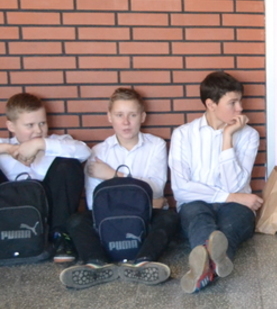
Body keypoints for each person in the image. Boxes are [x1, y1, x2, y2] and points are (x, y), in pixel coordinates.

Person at [59, 88, 178, 289]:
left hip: (144, 218)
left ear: (142, 117)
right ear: (110, 117)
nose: (126, 122)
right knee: (76, 220)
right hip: (111, 221)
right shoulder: (98, 152)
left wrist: (112, 175)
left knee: (170, 218)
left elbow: (156, 188)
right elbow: (95, 203)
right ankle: (96, 263)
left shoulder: (156, 145)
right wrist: (146, 199)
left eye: (132, 115)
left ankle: (143, 262)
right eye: (119, 115)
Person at [169, 71, 262, 294]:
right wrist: (231, 197)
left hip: (237, 207)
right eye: (233, 102)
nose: (240, 108)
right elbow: (181, 189)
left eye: (240, 101)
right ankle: (215, 263)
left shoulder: (249, 135)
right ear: (211, 104)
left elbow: (234, 185)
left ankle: (203, 268)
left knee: (229, 228)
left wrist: (227, 137)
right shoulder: (183, 134)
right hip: (197, 203)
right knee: (198, 218)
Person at [0, 92, 90, 263]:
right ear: (11, 126)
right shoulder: (4, 146)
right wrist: (9, 149)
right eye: (30, 125)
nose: (38, 130)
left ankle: (61, 237)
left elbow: (85, 151)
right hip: (12, 218)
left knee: (68, 165)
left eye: (42, 123)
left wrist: (40, 144)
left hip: (52, 215)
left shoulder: (57, 142)